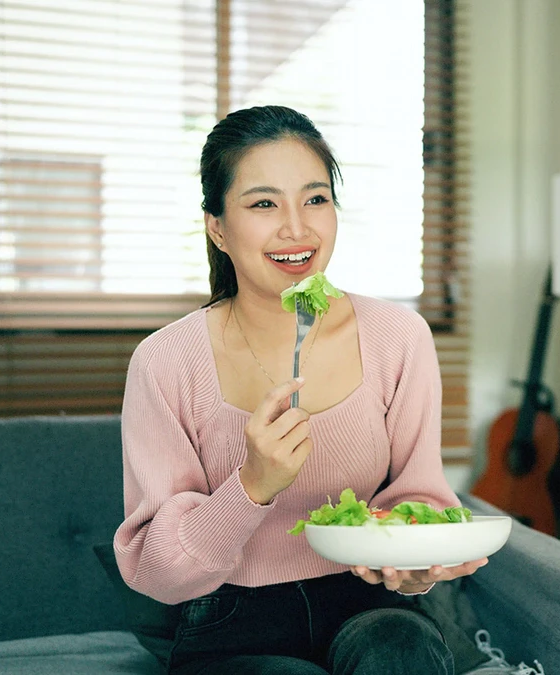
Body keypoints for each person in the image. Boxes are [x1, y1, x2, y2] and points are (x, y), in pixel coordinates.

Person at [113, 105, 487, 675]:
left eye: (315, 199)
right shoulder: (165, 361)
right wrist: (252, 485)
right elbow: (158, 572)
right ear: (217, 226)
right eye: (264, 203)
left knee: (401, 652)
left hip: (369, 605)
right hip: (229, 619)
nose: (297, 228)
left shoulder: (398, 337)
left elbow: (423, 496)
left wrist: (413, 561)